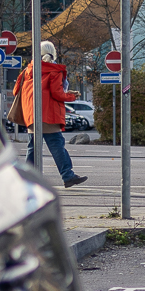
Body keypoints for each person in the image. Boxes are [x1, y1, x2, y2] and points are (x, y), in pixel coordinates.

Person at [15, 41, 87, 188]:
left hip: (31, 114)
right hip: (48, 115)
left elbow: (17, 91)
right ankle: (67, 175)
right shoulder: (54, 70)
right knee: (56, 144)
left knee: (33, 146)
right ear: (53, 53)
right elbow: (57, 93)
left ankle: (28, 178)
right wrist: (72, 97)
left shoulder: (27, 70)